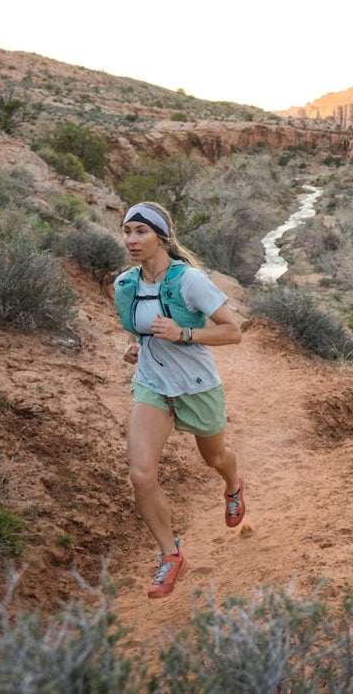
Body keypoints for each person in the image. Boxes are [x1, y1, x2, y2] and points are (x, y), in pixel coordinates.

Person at [114, 201, 244, 598]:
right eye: (127, 231)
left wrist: (183, 335)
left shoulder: (189, 281)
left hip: (197, 384)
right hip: (152, 384)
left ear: (160, 236)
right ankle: (171, 556)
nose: (131, 240)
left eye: (141, 231)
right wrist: (140, 346)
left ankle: (233, 484)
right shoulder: (125, 285)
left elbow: (232, 332)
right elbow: (142, 329)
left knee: (215, 458)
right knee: (140, 474)